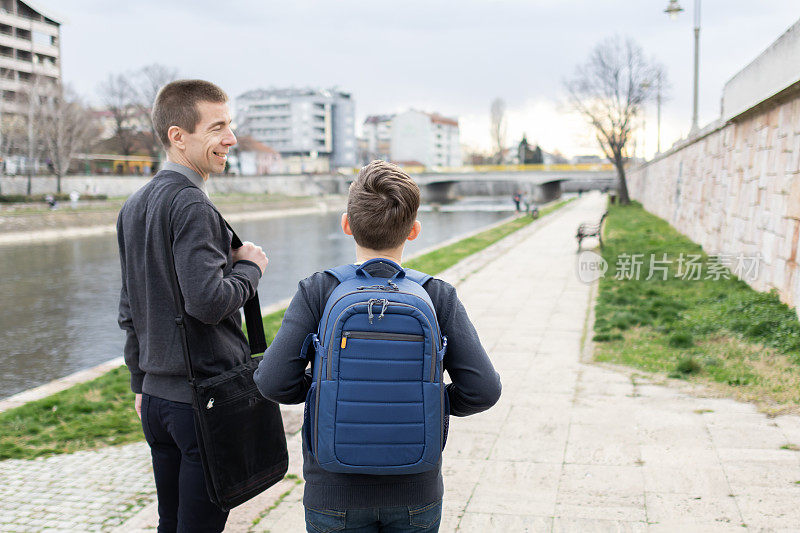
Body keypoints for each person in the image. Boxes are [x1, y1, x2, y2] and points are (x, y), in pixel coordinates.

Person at [254, 160, 502, 533]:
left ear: (347, 225)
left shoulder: (318, 290)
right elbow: (484, 390)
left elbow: (272, 381)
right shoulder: (437, 295)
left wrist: (326, 390)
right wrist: (429, 399)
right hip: (415, 492)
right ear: (414, 230)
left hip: (333, 493)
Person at [116, 80, 268, 533]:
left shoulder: (134, 204)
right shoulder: (192, 205)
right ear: (178, 136)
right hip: (202, 402)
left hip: (159, 402)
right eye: (217, 127)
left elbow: (130, 309)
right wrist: (251, 269)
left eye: (231, 125)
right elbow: (207, 302)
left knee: (171, 523)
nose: (231, 139)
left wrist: (140, 383)